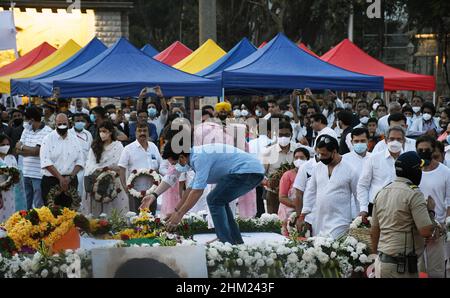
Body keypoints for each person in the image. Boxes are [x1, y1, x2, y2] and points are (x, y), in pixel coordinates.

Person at [141, 142, 265, 245]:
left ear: (182, 158)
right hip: (252, 171)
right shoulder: (196, 158)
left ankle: (226, 243)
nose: (175, 167)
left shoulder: (199, 158)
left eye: (174, 163)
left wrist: (179, 215)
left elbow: (197, 192)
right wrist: (175, 210)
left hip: (247, 171)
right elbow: (189, 189)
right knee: (219, 201)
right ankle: (235, 242)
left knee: (214, 200)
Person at [371, 152, 437, 278]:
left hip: (383, 262)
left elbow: (374, 230)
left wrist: (375, 258)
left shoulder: (382, 192)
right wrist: (431, 211)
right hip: (402, 267)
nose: (421, 171)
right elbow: (426, 231)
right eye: (420, 168)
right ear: (415, 171)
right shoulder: (414, 193)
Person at [301, 135, 357, 238]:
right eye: (319, 154)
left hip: (340, 220)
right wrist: (304, 213)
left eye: (324, 154)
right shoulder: (318, 168)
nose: (321, 157)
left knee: (334, 249)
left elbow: (357, 195)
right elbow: (311, 192)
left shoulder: (350, 169)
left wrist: (357, 217)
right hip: (319, 219)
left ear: (334, 152)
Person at [415, 136, 450, 278]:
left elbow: (449, 200)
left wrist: (444, 225)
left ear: (433, 150)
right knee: (417, 269)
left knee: (436, 270)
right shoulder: (413, 170)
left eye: (427, 150)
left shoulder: (445, 172)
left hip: (438, 228)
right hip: (416, 228)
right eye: (420, 150)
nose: (423, 152)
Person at [358, 126, 406, 217]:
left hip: (401, 209)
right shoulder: (374, 158)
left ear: (403, 141)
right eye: (391, 139)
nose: (395, 142)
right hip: (375, 207)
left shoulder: (409, 160)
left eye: (399, 139)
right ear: (386, 140)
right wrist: (364, 208)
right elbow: (363, 185)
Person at [83, 121, 128, 216]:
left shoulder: (118, 146)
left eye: (104, 131)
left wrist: (108, 169)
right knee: (98, 212)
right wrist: (99, 169)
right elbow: (89, 163)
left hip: (114, 181)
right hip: (97, 182)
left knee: (114, 211)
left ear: (110, 132)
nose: (102, 134)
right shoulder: (95, 146)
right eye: (100, 131)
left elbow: (120, 164)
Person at [40, 114, 84, 207]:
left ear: (69, 124)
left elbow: (80, 160)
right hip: (51, 180)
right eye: (59, 124)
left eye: (64, 123)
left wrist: (70, 177)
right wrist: (60, 178)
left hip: (71, 180)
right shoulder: (47, 139)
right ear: (55, 124)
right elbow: (46, 161)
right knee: (50, 214)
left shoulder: (74, 139)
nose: (62, 126)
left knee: (70, 213)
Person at [118, 122, 163, 213]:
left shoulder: (153, 146)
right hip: (135, 190)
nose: (142, 133)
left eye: (145, 131)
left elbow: (160, 165)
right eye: (139, 131)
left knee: (152, 218)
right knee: (136, 217)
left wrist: (156, 174)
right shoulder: (128, 149)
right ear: (135, 133)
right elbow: (121, 169)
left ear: (148, 133)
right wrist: (124, 187)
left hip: (152, 190)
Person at [16, 107, 53, 209]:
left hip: (39, 174)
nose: (24, 122)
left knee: (38, 205)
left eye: (25, 119)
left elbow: (38, 151)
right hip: (26, 172)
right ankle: (25, 224)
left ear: (31, 120)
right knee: (26, 204)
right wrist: (31, 151)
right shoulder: (26, 130)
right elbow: (17, 149)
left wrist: (23, 148)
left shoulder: (47, 131)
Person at [262, 121, 298, 214]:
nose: (283, 137)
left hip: (295, 195)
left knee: (292, 222)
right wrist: (268, 183)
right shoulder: (268, 152)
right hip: (273, 193)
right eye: (280, 135)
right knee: (274, 221)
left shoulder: (298, 150)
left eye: (286, 135)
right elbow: (261, 175)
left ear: (291, 134)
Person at [278, 147, 310, 235]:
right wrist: (297, 205)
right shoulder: (287, 175)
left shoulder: (311, 174)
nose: (298, 160)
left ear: (308, 159)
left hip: (305, 212)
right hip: (288, 213)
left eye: (302, 158)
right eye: (296, 158)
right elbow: (282, 197)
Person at [343, 128, 371, 218]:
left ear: (368, 141)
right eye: (356, 141)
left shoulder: (374, 158)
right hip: (350, 205)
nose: (359, 144)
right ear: (351, 142)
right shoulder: (343, 160)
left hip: (371, 203)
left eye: (362, 141)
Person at [70, 113, 93, 200]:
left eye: (82, 121)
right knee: (74, 192)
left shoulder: (88, 134)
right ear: (72, 122)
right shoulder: (68, 133)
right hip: (73, 169)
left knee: (84, 193)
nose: (80, 122)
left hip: (86, 168)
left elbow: (91, 151)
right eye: (77, 121)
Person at [0, 135, 18, 222]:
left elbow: (16, 174)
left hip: (10, 192)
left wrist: (10, 181)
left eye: (7, 144)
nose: (5, 147)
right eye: (3, 145)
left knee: (10, 215)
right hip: (0, 191)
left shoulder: (11, 158)